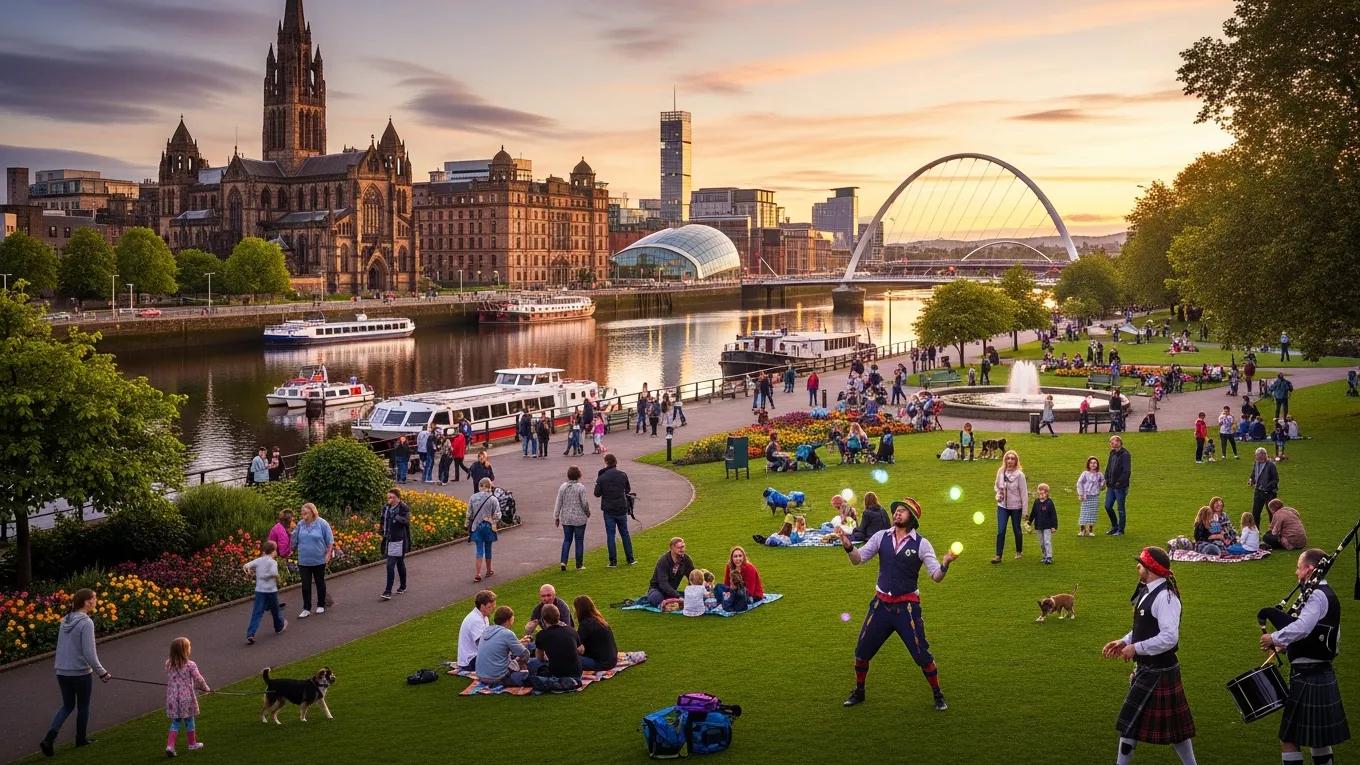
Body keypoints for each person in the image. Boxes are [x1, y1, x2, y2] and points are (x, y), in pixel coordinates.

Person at [838, 498, 958, 711]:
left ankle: (938, 694)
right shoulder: (880, 537)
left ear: (912, 517)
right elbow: (859, 559)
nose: (896, 514)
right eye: (896, 511)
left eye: (902, 511)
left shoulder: (922, 544)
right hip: (881, 606)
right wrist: (848, 547)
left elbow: (936, 576)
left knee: (922, 655)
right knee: (861, 652)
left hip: (907, 609)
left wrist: (946, 563)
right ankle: (859, 691)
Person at [1102, 547, 1198, 764]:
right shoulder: (1147, 590)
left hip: (1160, 671)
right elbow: (1144, 627)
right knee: (1131, 725)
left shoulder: (1165, 598)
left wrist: (1136, 648)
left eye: (1141, 564)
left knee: (1173, 731)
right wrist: (1125, 641)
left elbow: (1169, 638)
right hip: (1148, 669)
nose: (1138, 566)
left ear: (1151, 568)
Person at [1258, 548, 1350, 763]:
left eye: (1299, 567)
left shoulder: (1317, 595)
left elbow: (1303, 627)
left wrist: (1274, 637)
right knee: (1318, 740)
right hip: (1320, 672)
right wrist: (1285, 644)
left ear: (1310, 569)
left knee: (1289, 738)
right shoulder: (1325, 593)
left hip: (1309, 675)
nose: (1296, 572)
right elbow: (1318, 633)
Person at [40, 589, 111, 756]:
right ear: (86, 601)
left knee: (67, 705)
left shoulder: (65, 620)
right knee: (83, 706)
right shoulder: (86, 623)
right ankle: (81, 739)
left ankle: (49, 739)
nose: (96, 601)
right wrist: (102, 672)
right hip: (80, 672)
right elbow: (89, 652)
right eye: (94, 598)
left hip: (62, 671)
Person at [163, 637, 210, 757]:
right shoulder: (190, 665)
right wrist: (206, 688)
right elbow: (198, 678)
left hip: (173, 698)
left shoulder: (169, 664)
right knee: (189, 720)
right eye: (188, 647)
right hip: (186, 698)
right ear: (184, 650)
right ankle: (192, 743)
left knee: (176, 721)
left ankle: (170, 746)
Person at [291, 503, 333, 618]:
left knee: (320, 583)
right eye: (302, 512)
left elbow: (330, 541)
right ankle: (306, 608)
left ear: (313, 512)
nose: (303, 514)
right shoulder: (300, 524)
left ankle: (321, 604)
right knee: (305, 585)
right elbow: (294, 541)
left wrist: (328, 554)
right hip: (304, 560)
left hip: (319, 559)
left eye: (306, 512)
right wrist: (291, 539)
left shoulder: (322, 523)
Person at [474, 606, 532, 688]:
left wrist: (519, 643)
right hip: (497, 677)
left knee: (515, 658)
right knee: (530, 666)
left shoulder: (486, 631)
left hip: (480, 675)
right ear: (509, 620)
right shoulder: (507, 634)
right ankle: (523, 672)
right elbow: (525, 654)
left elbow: (498, 648)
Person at [595, 453, 635, 567]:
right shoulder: (622, 475)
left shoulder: (602, 476)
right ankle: (630, 558)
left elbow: (597, 493)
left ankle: (613, 561)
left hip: (608, 508)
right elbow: (628, 489)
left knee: (611, 535)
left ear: (606, 462)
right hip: (621, 507)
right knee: (625, 533)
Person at [243, 540, 287, 644]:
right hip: (271, 591)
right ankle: (279, 627)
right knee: (275, 610)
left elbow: (246, 566)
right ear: (272, 551)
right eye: (276, 550)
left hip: (260, 591)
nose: (276, 552)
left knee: (257, 612)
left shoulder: (259, 560)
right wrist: (277, 578)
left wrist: (248, 571)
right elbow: (273, 573)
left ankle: (251, 633)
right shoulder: (273, 562)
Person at [528, 604, 582, 685]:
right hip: (577, 673)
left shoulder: (542, 635)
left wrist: (528, 631)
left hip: (557, 675)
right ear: (558, 616)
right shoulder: (571, 630)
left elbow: (539, 658)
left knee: (531, 663)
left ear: (544, 620)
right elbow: (581, 650)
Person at [992, 450, 1028, 563]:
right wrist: (998, 493)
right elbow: (996, 486)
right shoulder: (1001, 472)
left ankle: (1018, 551)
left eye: (1013, 459)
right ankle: (998, 555)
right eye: (1008, 458)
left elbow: (1024, 493)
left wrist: (1024, 511)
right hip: (1002, 506)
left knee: (1016, 530)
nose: (1010, 461)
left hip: (1016, 507)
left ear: (1016, 461)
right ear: (1005, 460)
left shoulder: (1020, 475)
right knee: (1001, 530)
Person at [554, 465, 591, 572]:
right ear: (579, 475)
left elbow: (558, 502)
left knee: (567, 539)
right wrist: (587, 512)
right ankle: (579, 564)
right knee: (579, 541)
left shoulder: (563, 487)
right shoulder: (581, 487)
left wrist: (556, 516)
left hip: (566, 518)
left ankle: (563, 561)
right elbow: (584, 503)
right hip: (579, 518)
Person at [379, 488, 411, 600]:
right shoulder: (386, 508)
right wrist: (381, 530)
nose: (389, 499)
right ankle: (403, 585)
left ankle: (388, 591)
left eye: (392, 497)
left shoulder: (403, 508)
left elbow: (406, 521)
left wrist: (396, 517)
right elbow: (383, 520)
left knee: (390, 564)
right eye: (388, 497)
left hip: (398, 540)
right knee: (400, 562)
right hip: (388, 539)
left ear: (398, 498)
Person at [645, 537, 695, 606]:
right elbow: (663, 584)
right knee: (656, 598)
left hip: (672, 591)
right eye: (679, 548)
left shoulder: (686, 559)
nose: (682, 549)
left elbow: (693, 577)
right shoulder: (663, 561)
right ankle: (673, 600)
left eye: (683, 547)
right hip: (658, 590)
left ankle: (671, 601)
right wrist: (678, 596)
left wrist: (694, 590)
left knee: (695, 596)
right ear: (672, 548)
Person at [467, 478, 500, 582]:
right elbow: (498, 515)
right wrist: (492, 520)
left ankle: (477, 573)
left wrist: (467, 524)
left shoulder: (473, 497)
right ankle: (489, 570)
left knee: (479, 550)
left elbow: (469, 513)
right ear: (489, 487)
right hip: (489, 526)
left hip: (476, 526)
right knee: (488, 548)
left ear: (480, 486)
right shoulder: (493, 499)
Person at [574, 595, 618, 671]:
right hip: (612, 660)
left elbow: (577, 646)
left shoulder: (585, 625)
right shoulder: (600, 620)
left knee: (567, 657)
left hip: (601, 664)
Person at [714, 545, 764, 612]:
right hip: (734, 590)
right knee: (718, 586)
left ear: (744, 557)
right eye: (735, 556)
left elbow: (750, 591)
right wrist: (728, 592)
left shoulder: (750, 569)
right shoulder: (729, 566)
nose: (738, 559)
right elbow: (726, 583)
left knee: (737, 596)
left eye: (740, 556)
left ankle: (726, 604)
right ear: (732, 558)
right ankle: (721, 602)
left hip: (750, 595)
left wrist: (732, 593)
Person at [457, 590, 497, 672]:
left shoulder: (483, 616)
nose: (493, 608)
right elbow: (482, 645)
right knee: (501, 661)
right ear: (482, 606)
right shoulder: (476, 620)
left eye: (494, 605)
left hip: (475, 656)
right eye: (490, 606)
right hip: (470, 662)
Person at [1105, 436, 1132, 536]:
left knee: (1120, 508)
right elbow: (1109, 467)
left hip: (1120, 487)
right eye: (1111, 442)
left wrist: (1119, 482)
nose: (1113, 444)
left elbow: (1126, 471)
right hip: (1111, 486)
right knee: (1108, 506)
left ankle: (1121, 529)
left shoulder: (1125, 455)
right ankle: (1114, 526)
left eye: (1115, 442)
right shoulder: (1112, 453)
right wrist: (1106, 478)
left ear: (1120, 442)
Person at [1249, 447, 1280, 527]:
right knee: (1255, 512)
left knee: (1271, 513)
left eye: (1260, 458)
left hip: (1269, 493)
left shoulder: (1271, 465)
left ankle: (1273, 532)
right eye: (1257, 457)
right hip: (1258, 492)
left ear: (1265, 455)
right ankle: (1255, 532)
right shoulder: (1256, 463)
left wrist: (1266, 487)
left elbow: (1275, 479)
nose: (1259, 459)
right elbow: (1254, 474)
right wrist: (1251, 479)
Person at [1076, 456, 1106, 537]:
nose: (1093, 464)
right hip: (1086, 496)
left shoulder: (1099, 474)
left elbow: (1102, 484)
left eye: (1095, 463)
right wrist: (1080, 494)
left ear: (1097, 465)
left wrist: (1102, 485)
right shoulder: (1085, 473)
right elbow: (1079, 483)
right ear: (1088, 464)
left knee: (1093, 513)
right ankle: (1082, 530)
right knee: (1084, 513)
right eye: (1091, 463)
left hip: (1094, 496)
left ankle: (1090, 530)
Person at [1029, 483, 1058, 564]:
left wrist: (1054, 526)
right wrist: (1029, 522)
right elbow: (1033, 513)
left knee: (1047, 541)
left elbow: (1053, 515)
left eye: (1043, 493)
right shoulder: (1036, 502)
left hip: (1047, 526)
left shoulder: (1049, 503)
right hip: (1038, 525)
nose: (1041, 494)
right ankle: (1044, 556)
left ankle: (1049, 557)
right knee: (1042, 542)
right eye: (1040, 493)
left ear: (1047, 493)